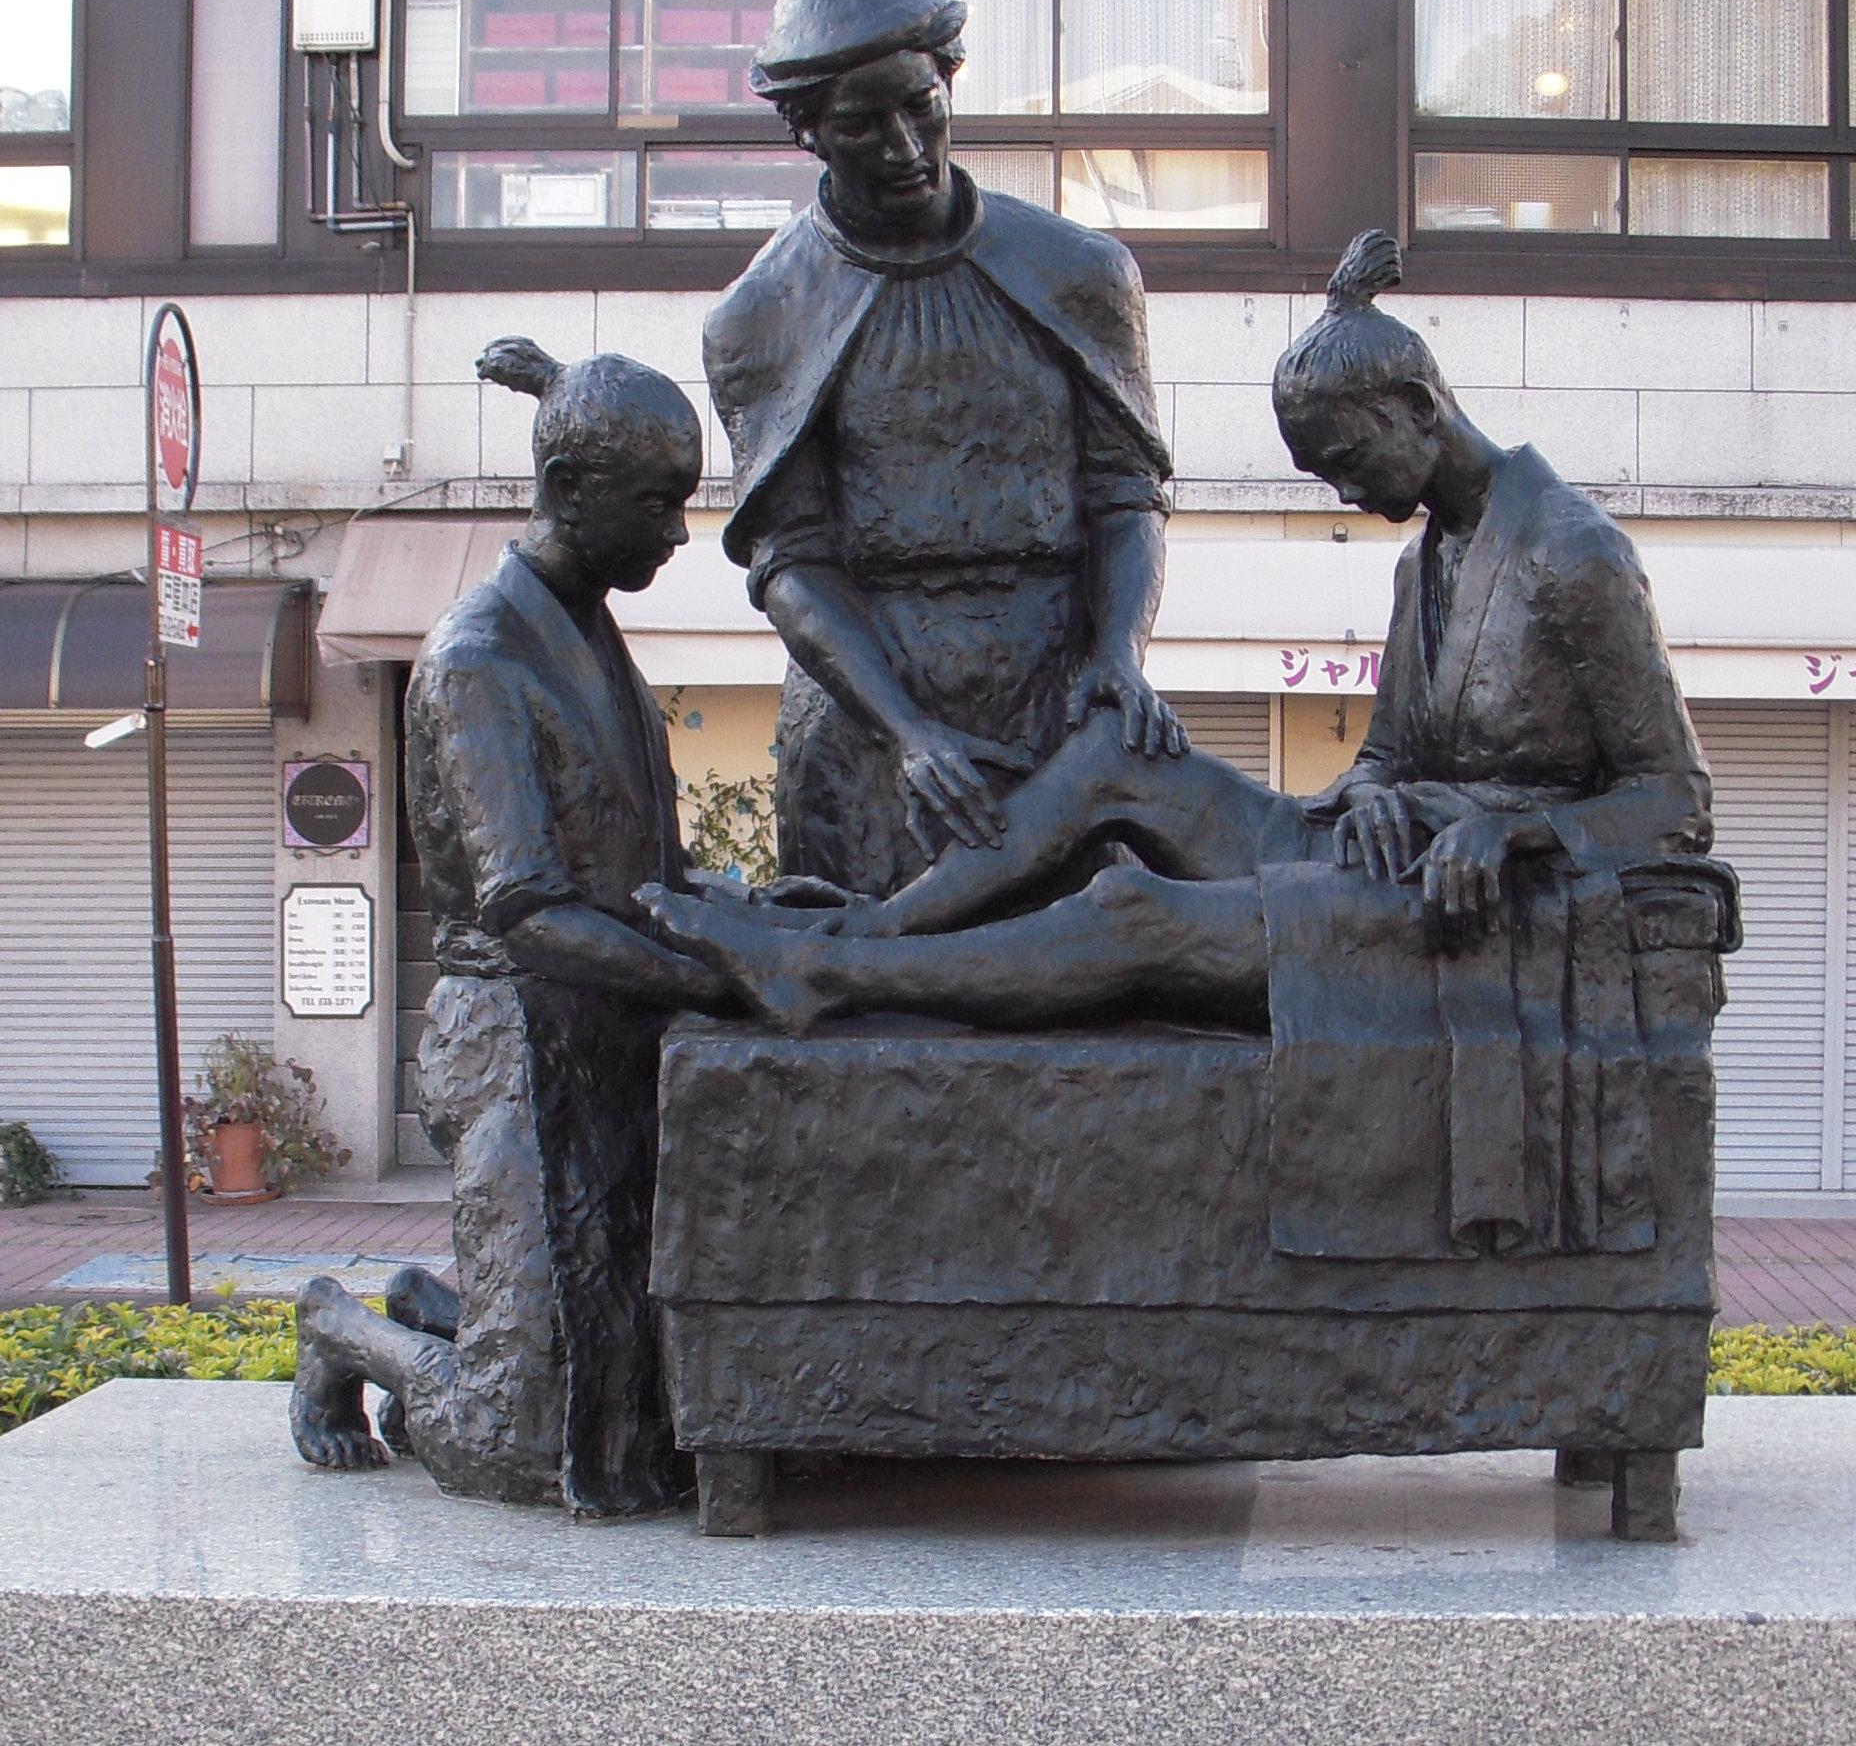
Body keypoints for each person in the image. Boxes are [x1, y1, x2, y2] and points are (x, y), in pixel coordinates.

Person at [646, 231, 1733, 1264]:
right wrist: (1371, 790)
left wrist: (1511, 833)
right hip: (1378, 852)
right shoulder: (1431, 560)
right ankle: (870, 924)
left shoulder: (1576, 556)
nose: (1344, 494)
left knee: (1134, 910)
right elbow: (1388, 756)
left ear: (1414, 406)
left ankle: (822, 973)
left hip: (1471, 916)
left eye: (1347, 461)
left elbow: (1673, 799)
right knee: (1116, 749)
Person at [291, 338, 734, 1516]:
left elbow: (638, 860)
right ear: (569, 490)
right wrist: (714, 977)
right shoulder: (481, 656)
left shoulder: (590, 636)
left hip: (613, 1034)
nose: (676, 534)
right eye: (658, 505)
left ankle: (453, 1311)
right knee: (518, 1443)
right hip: (517, 1041)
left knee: (636, 1402)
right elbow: (530, 910)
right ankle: (340, 1328)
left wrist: (738, 916)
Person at [703, 0, 1184, 899]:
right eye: (861, 126)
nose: (904, 148)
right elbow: (791, 558)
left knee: (1083, 964)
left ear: (950, 83)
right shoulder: (760, 318)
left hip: (1059, 694)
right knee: (861, 975)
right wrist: (907, 732)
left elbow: (1124, 492)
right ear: (808, 133)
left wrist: (1118, 658)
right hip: (868, 717)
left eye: (921, 108)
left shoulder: (1080, 271)